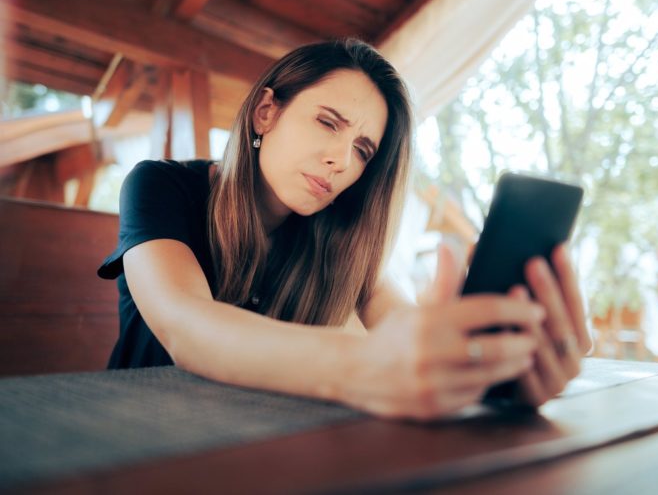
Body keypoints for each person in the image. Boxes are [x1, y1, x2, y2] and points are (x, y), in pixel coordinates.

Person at [98, 39, 591, 420]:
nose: (340, 159)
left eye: (362, 150)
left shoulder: (337, 234)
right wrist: (362, 366)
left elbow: (402, 326)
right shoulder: (159, 185)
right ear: (266, 111)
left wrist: (477, 363)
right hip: (134, 434)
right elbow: (187, 329)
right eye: (328, 122)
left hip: (255, 441)